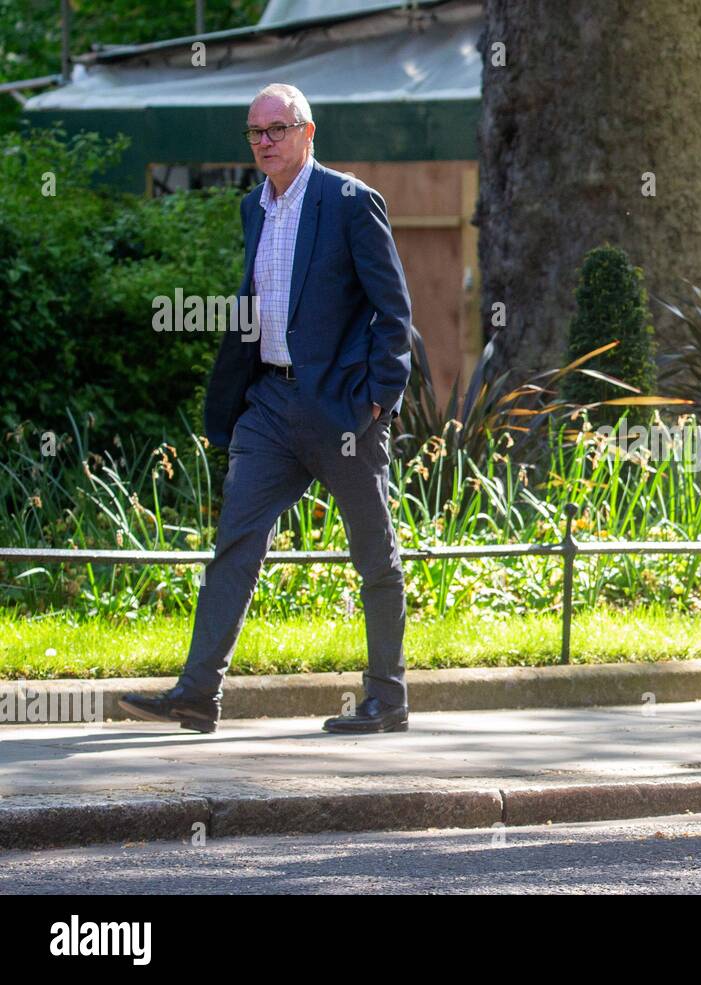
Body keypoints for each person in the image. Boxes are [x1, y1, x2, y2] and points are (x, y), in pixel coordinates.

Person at [120, 83, 415, 735]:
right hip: (270, 405)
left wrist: (374, 402)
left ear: (308, 132)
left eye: (277, 129)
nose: (264, 142)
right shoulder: (255, 207)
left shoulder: (349, 202)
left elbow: (394, 313)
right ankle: (198, 695)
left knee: (373, 552)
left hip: (343, 411)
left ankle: (386, 698)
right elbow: (255, 308)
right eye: (255, 132)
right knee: (236, 542)